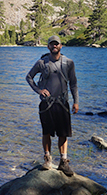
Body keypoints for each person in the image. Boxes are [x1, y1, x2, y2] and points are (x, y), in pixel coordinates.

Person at [25, 35, 79, 175]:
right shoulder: (41, 63)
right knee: (46, 132)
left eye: (57, 44)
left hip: (63, 103)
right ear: (48, 46)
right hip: (46, 104)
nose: (54, 46)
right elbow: (29, 77)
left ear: (61, 46)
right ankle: (47, 159)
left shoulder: (69, 63)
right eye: (51, 44)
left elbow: (73, 83)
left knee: (63, 134)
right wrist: (38, 90)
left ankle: (63, 162)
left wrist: (76, 102)